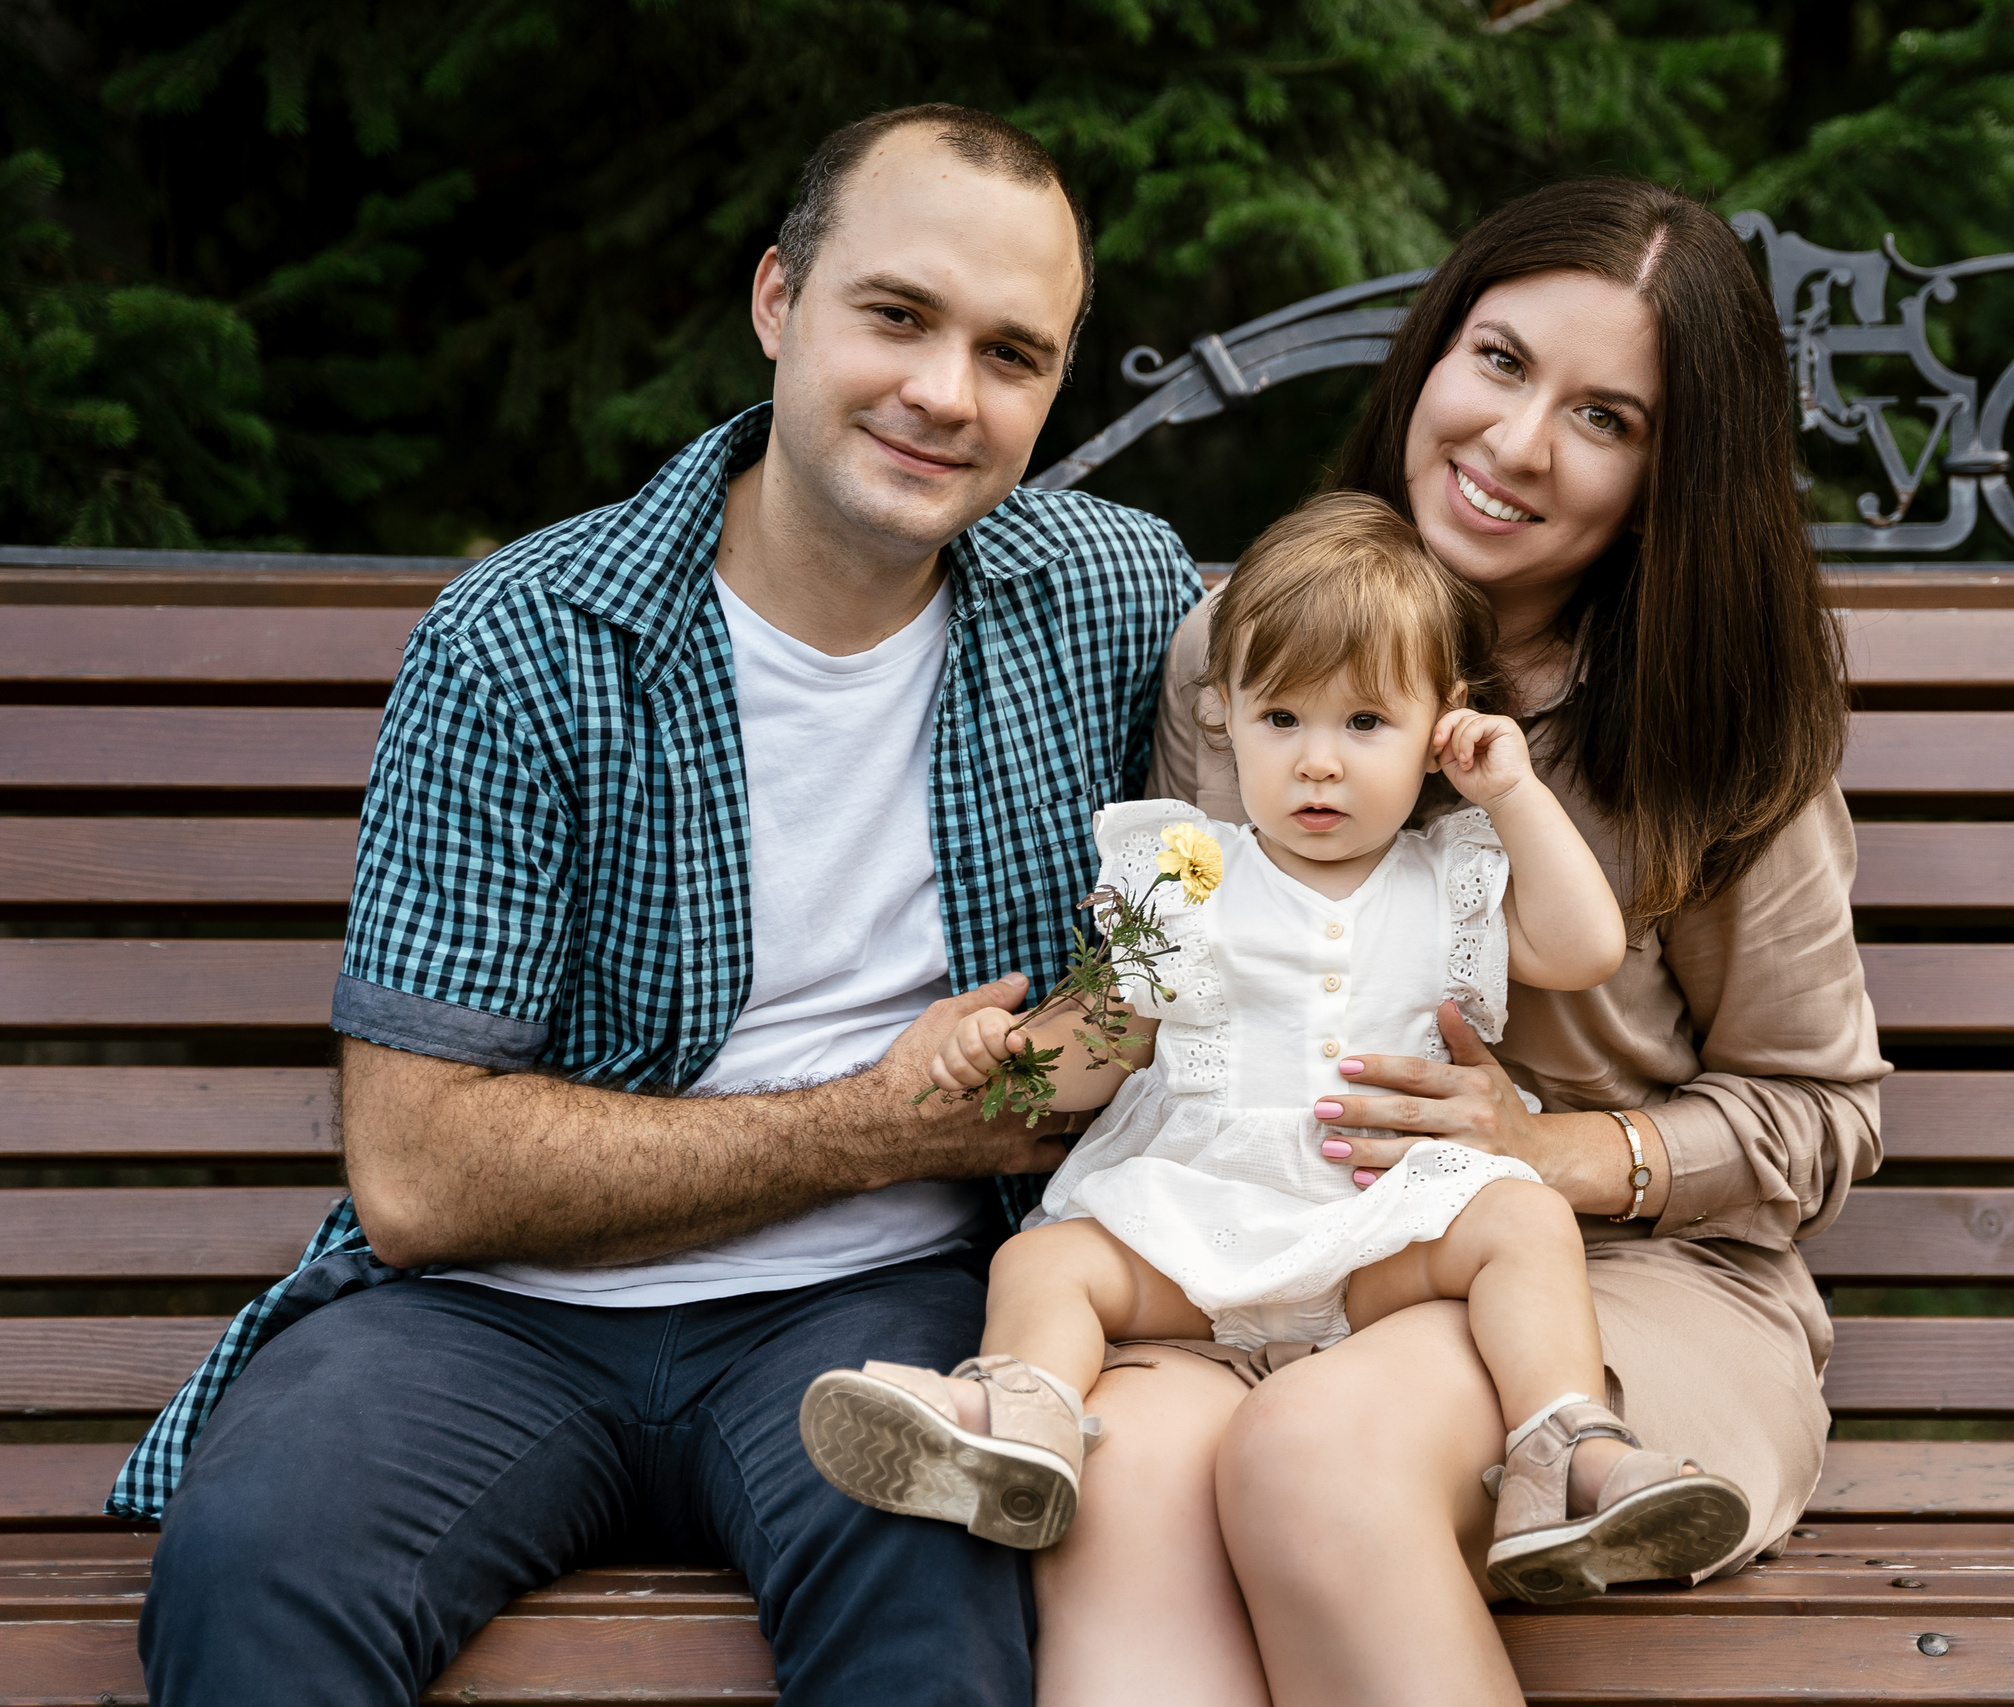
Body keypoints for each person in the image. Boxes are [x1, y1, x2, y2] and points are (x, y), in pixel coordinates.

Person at [126, 105, 1198, 1707]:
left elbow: (1331, 751)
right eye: (896, 316)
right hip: (486, 1319)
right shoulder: (529, 637)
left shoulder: (1107, 592)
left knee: (943, 1579)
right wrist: (874, 1125)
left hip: (877, 1300)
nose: (943, 394)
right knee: (259, 1563)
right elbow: (418, 1170)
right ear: (777, 301)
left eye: (1011, 354)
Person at [1037, 178, 1888, 1706]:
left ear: (1666, 474)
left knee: (1317, 1456)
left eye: (1605, 417)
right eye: (1499, 361)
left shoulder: (1723, 716)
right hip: (1262, 1235)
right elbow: (1179, 979)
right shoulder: (1249, 653)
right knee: (1127, 1476)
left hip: (1613, 1281)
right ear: (1433, 353)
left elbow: (1822, 1111)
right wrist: (1020, 1060)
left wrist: (1546, 1149)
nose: (1515, 442)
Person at [798, 492, 1748, 1602]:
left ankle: (1565, 1454)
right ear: (1223, 713)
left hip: (1374, 1233)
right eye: (1282, 719)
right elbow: (1100, 1053)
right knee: (1043, 1263)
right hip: (1195, 1223)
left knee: (1524, 1218)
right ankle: (1020, 1423)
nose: (1317, 766)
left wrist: (1512, 787)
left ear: (1441, 728)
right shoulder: (1184, 871)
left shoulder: (1448, 878)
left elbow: (1583, 948)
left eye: (1365, 725)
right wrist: (995, 1059)